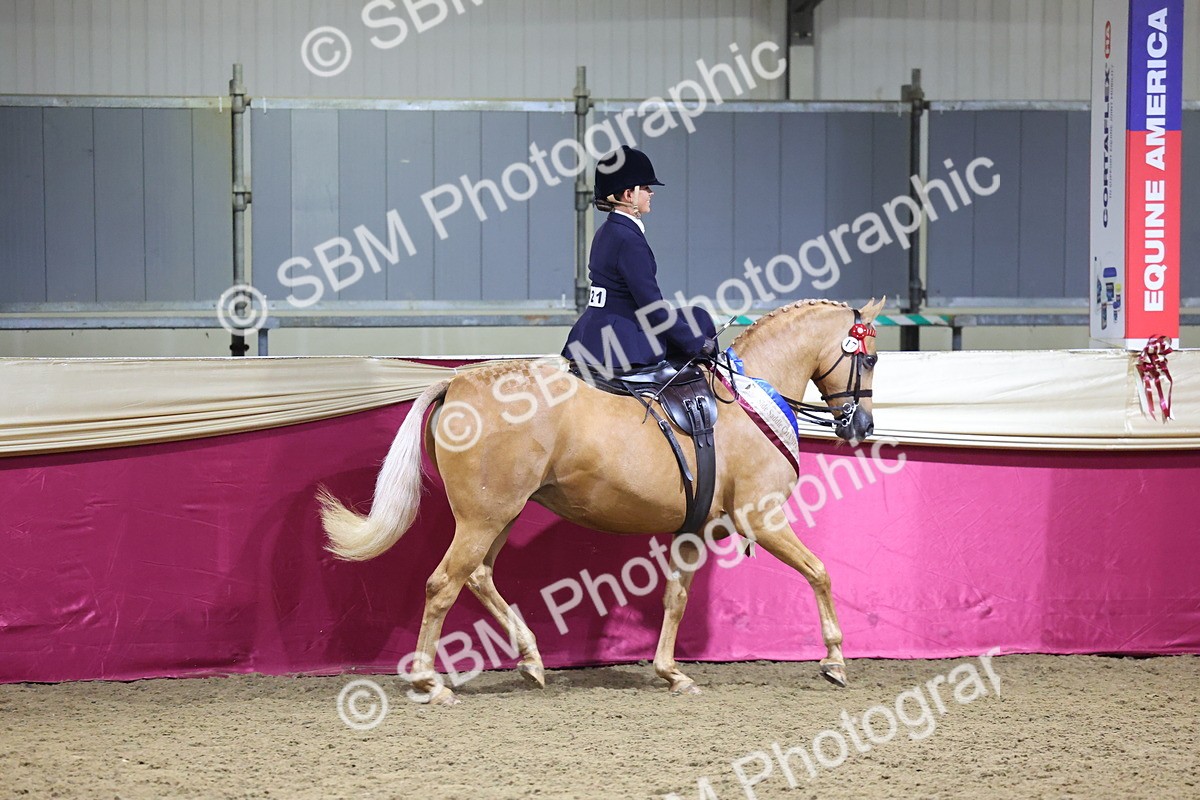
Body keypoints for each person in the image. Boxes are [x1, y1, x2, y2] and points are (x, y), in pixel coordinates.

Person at [562, 145, 717, 378]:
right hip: (620, 338)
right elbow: (652, 308)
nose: (651, 193)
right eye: (645, 188)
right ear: (628, 195)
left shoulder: (606, 231)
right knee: (699, 326)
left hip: (591, 330)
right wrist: (697, 344)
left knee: (696, 316)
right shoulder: (628, 240)